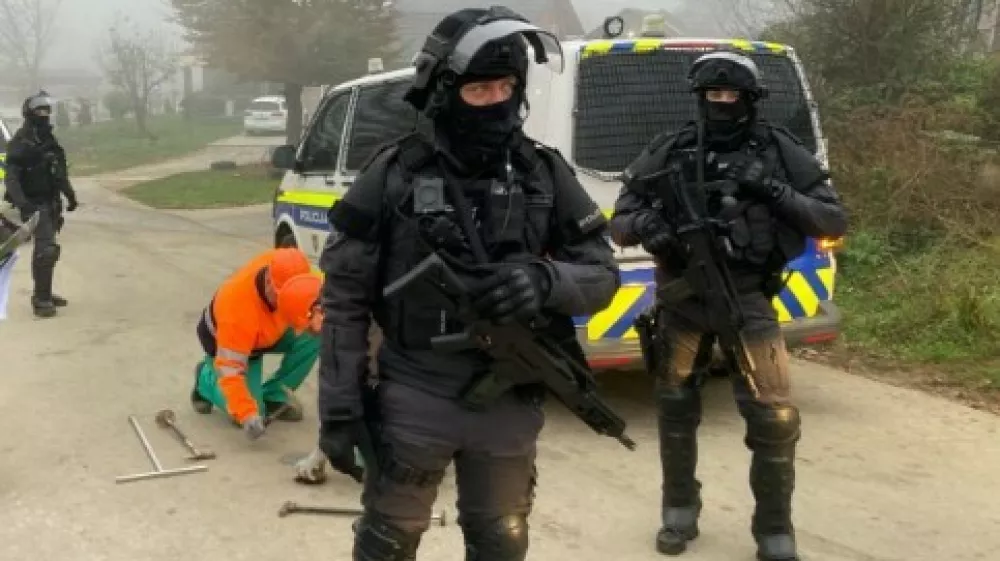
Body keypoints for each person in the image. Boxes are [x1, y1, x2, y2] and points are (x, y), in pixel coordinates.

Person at [314, 6, 621, 560]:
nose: (497, 101)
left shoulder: (543, 172)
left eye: (507, 87)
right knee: (387, 542)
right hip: (416, 393)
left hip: (507, 399)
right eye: (479, 90)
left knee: (502, 539)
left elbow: (602, 271)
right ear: (443, 91)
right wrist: (339, 408)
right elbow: (344, 299)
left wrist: (547, 280)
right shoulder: (394, 174)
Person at [609, 51, 848, 561]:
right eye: (713, 95)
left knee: (773, 418)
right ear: (699, 99)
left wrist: (772, 188)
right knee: (675, 407)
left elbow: (831, 219)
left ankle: (774, 530)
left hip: (747, 299)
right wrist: (647, 225)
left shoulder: (779, 149)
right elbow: (621, 219)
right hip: (684, 299)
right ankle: (679, 509)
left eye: (732, 95)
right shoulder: (672, 148)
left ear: (750, 100)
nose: (722, 103)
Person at [190, 247, 322, 440]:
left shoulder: (298, 271)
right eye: (284, 299)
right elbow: (231, 369)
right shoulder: (237, 308)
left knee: (315, 335)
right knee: (246, 412)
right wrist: (247, 414)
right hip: (229, 346)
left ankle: (274, 394)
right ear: (269, 282)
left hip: (270, 332)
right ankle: (205, 377)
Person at [1, 91, 78, 318]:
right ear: (29, 113)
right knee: (46, 249)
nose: (44, 114)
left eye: (46, 110)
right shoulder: (21, 142)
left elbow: (59, 171)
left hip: (51, 201)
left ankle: (44, 291)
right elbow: (12, 178)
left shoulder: (48, 140)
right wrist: (23, 204)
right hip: (33, 203)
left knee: (48, 249)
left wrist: (70, 195)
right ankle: (41, 299)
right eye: (39, 110)